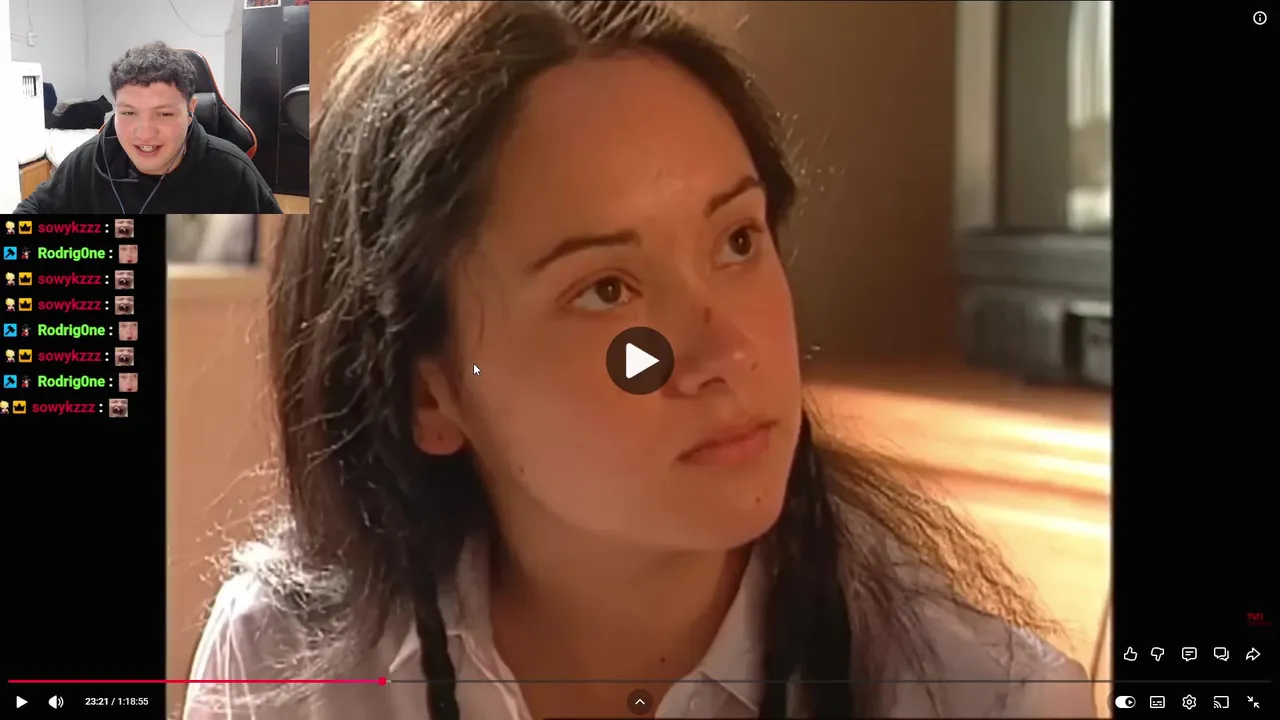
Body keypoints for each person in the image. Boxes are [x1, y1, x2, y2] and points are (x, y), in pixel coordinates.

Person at [183, 2, 1095, 719]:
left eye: (738, 240)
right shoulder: (283, 668)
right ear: (431, 391)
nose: (728, 350)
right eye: (607, 289)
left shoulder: (988, 696)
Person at [12, 42, 280, 214]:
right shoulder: (90, 161)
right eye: (128, 113)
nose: (144, 133)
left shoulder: (232, 171)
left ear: (190, 111)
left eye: (164, 114)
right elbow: (34, 211)